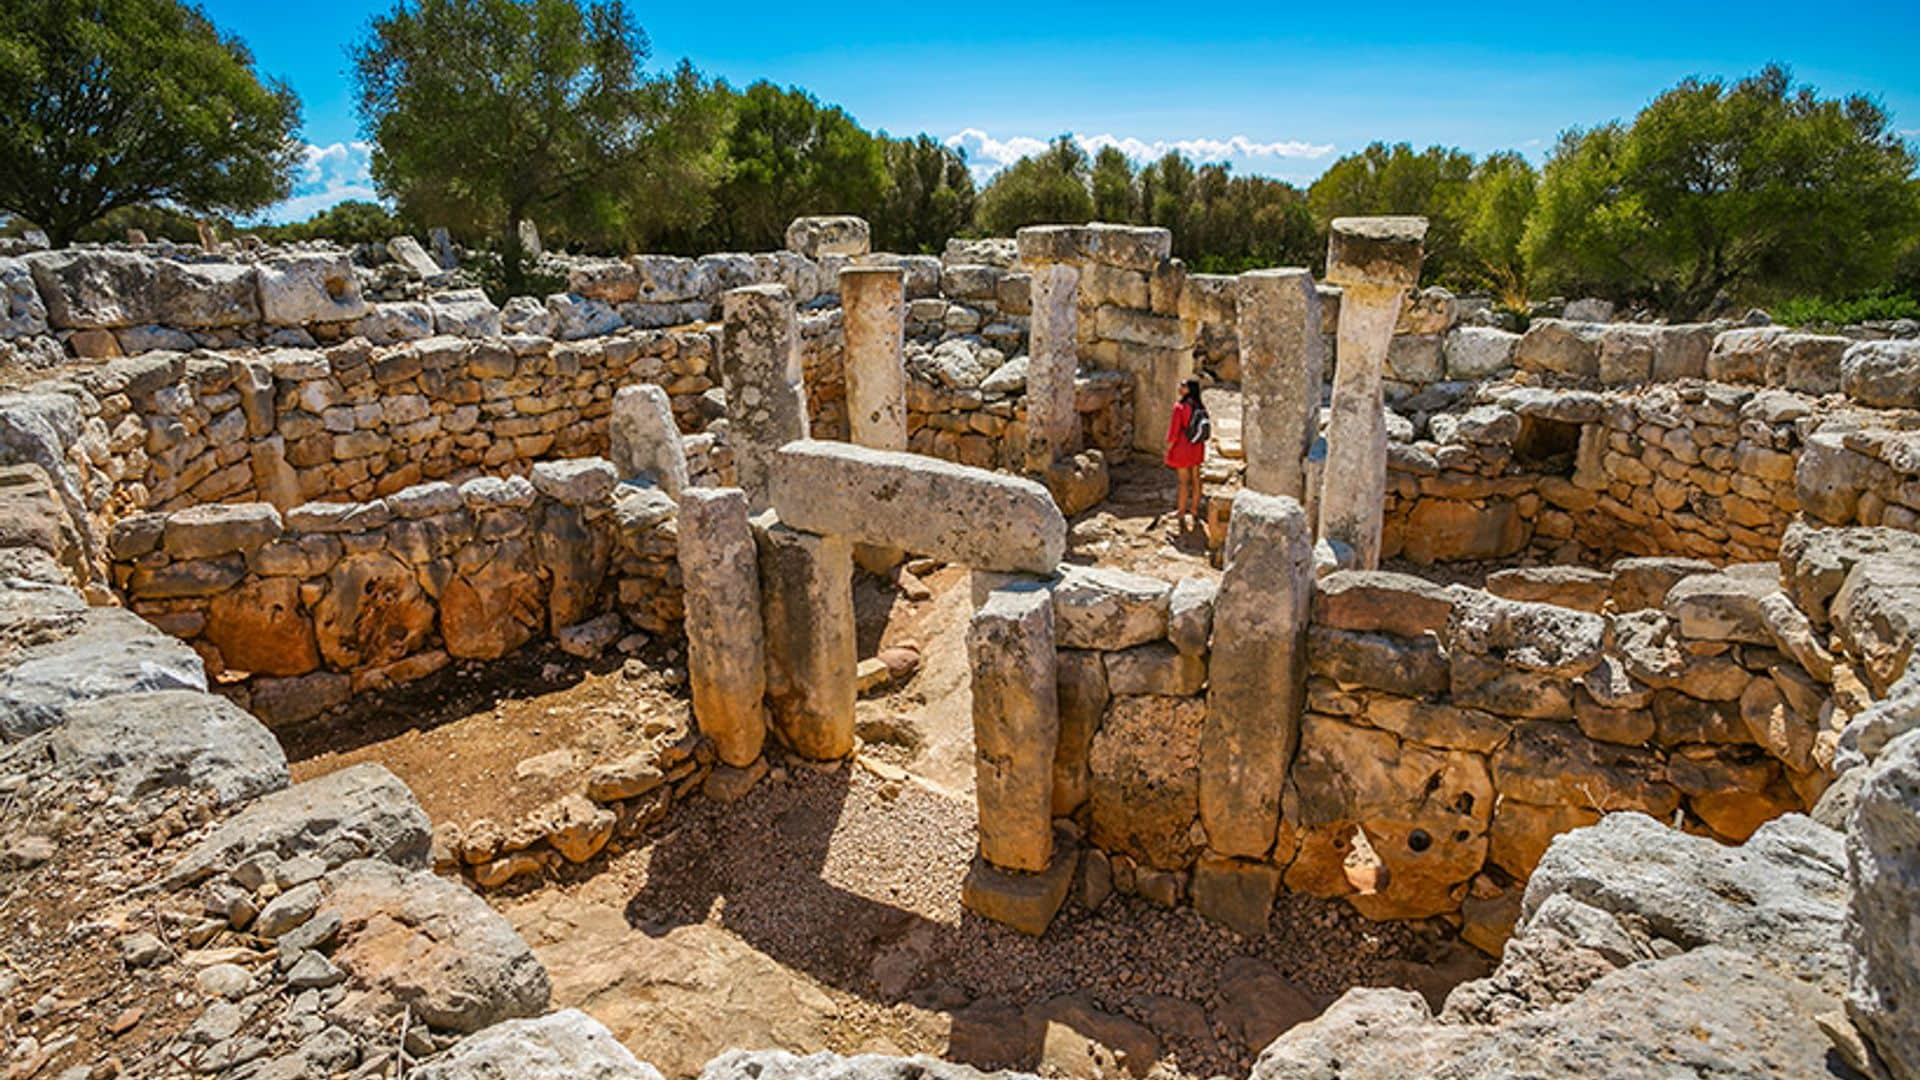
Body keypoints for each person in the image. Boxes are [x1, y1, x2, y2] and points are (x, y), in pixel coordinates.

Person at [1165, 379, 1208, 531]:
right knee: (1196, 479)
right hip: (1197, 446)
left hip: (1183, 447)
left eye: (1183, 385)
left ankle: (1181, 511)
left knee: (1183, 481)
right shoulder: (1200, 406)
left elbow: (1174, 432)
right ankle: (1194, 509)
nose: (1179, 387)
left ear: (1189, 390)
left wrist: (1169, 448)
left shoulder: (1179, 407)